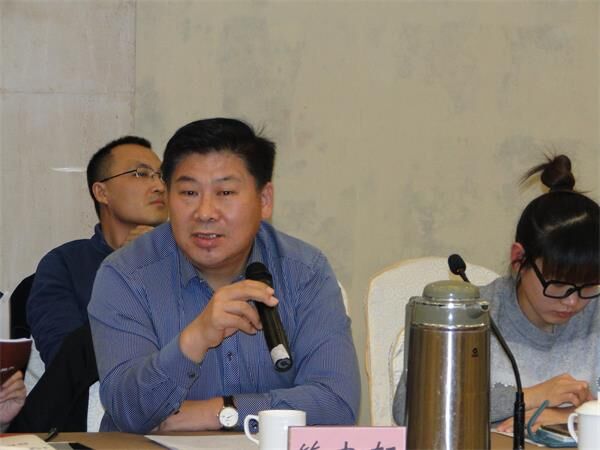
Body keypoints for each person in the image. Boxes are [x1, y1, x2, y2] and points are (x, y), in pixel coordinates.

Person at [88, 118, 360, 433]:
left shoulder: (305, 272)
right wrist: (195, 339)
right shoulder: (126, 275)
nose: (205, 212)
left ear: (264, 200)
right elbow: (127, 411)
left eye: (225, 192)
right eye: (189, 192)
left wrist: (222, 411)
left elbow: (337, 404)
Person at [393, 154, 599, 431]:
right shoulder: (469, 318)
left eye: (588, 286)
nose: (572, 302)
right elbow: (409, 408)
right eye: (558, 285)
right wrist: (528, 398)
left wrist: (569, 416)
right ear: (518, 259)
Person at [27, 136, 168, 366]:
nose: (160, 187)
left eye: (162, 176)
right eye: (141, 174)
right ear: (102, 192)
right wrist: (125, 271)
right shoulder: (65, 264)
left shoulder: (191, 259)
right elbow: (66, 362)